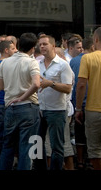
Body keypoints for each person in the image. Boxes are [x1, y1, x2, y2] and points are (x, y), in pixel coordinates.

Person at [0, 32, 41, 170]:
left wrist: (12, 84)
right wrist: (23, 96)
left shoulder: (5, 62)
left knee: (7, 146)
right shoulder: (31, 62)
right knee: (26, 147)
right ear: (32, 48)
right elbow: (37, 84)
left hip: (10, 107)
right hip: (28, 107)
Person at [75, 26, 101, 170]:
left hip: (93, 109)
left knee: (94, 149)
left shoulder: (88, 58)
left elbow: (81, 85)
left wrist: (78, 108)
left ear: (95, 40)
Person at [35, 35, 73, 170]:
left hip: (57, 110)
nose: (42, 47)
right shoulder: (37, 64)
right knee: (36, 144)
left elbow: (68, 88)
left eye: (45, 44)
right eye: (40, 45)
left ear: (53, 46)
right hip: (39, 109)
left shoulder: (63, 65)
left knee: (57, 146)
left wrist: (50, 83)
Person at [0, 40, 16, 169]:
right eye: (12, 48)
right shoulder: (3, 64)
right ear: (6, 50)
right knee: (2, 134)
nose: (15, 50)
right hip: (1, 102)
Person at [70, 36, 94, 170]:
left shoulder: (73, 61)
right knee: (92, 135)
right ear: (92, 47)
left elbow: (75, 83)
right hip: (92, 102)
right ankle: (91, 160)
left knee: (79, 133)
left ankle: (79, 161)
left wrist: (76, 105)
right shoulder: (94, 59)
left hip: (78, 102)